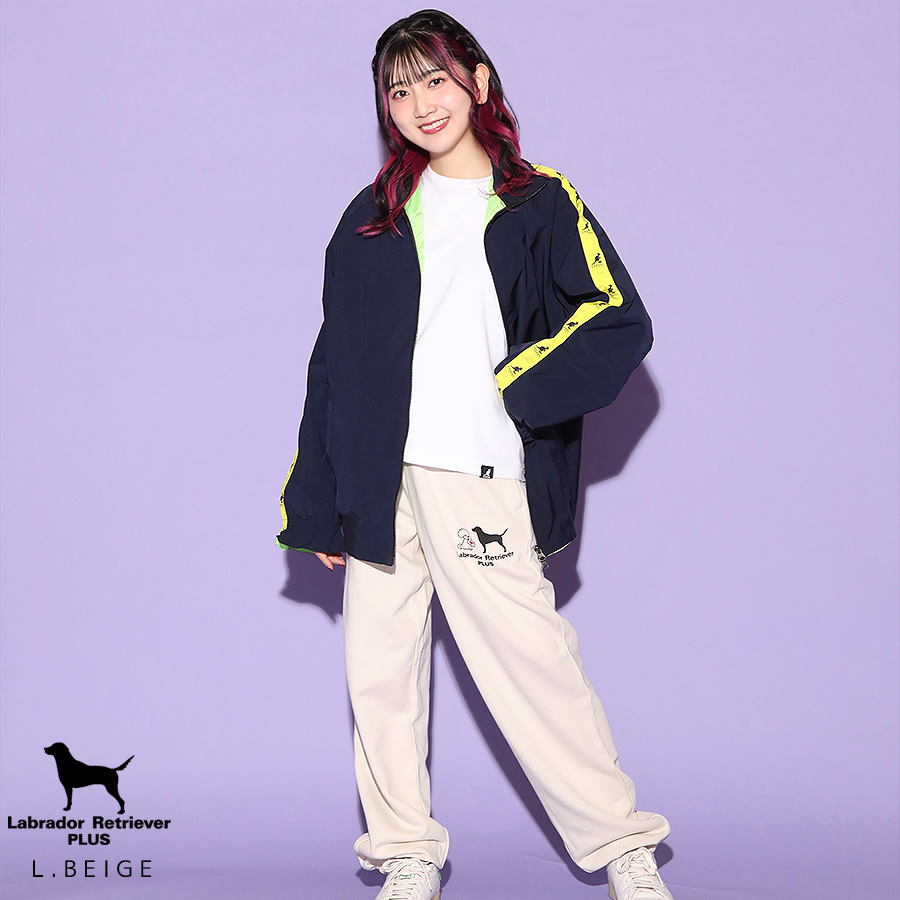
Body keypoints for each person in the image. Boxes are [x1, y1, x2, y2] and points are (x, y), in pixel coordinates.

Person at [278, 9, 674, 900]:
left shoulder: (537, 200)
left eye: (436, 79)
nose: (422, 103)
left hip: (478, 473)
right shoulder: (373, 217)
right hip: (380, 482)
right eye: (399, 90)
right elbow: (333, 362)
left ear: (478, 82)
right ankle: (405, 855)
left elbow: (616, 318)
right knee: (379, 677)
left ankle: (622, 847)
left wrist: (514, 385)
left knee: (532, 668)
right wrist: (319, 498)